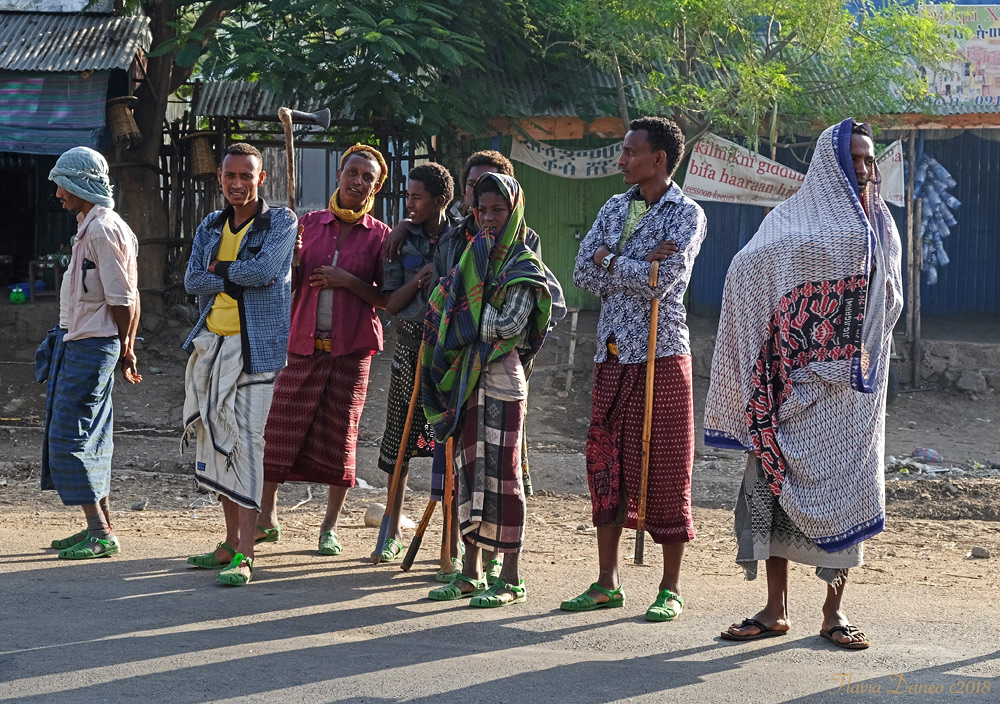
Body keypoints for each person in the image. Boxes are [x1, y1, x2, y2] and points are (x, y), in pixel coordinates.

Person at [705, 119, 902, 649]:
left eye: (868, 160)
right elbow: (747, 270)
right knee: (774, 487)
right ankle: (774, 610)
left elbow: (891, 302)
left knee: (847, 494)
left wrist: (839, 350)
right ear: (826, 165)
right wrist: (788, 348)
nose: (863, 169)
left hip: (851, 397)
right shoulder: (788, 222)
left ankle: (834, 614)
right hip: (785, 389)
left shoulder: (880, 227)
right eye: (853, 159)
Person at [563, 116, 706, 621]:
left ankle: (670, 586)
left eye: (629, 152)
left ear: (658, 159)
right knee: (606, 461)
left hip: (662, 354)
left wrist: (610, 258)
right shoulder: (614, 206)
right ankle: (608, 581)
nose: (621, 159)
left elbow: (665, 283)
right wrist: (633, 262)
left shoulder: (686, 214)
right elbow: (580, 270)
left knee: (666, 465)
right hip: (613, 352)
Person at [407, 150, 566, 584]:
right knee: (468, 475)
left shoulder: (523, 265)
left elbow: (508, 326)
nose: (490, 217)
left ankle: (511, 577)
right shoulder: (469, 257)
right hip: (464, 380)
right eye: (483, 209)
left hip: (501, 380)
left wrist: (460, 314)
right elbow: (441, 312)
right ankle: (470, 570)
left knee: (504, 478)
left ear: (513, 210)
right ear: (472, 211)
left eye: (499, 209)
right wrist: (461, 314)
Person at [256, 144, 390, 558]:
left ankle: (328, 528)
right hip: (301, 346)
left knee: (341, 439)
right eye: (353, 172)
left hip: (351, 352)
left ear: (376, 186)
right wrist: (291, 263)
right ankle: (267, 517)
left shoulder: (382, 236)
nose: (358, 181)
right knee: (277, 432)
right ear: (338, 174)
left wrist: (345, 279)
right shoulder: (306, 225)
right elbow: (284, 286)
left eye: (368, 177)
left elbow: (384, 298)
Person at [182, 142, 296, 585]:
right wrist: (232, 270)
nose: (237, 184)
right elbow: (193, 280)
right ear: (220, 179)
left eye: (246, 176)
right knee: (214, 436)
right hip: (211, 344)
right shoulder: (211, 225)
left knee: (247, 442)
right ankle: (229, 541)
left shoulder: (281, 221)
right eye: (230, 176)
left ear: (261, 178)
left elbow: (265, 270)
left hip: (256, 350)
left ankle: (246, 553)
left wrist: (220, 271)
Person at [38, 146, 141, 560]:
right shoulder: (90, 224)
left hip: (92, 347)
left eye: (62, 184)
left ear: (80, 183)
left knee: (70, 437)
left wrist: (126, 348)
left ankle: (100, 532)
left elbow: (124, 298)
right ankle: (97, 526)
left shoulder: (103, 229)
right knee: (87, 435)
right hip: (79, 342)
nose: (58, 193)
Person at [374, 163, 455, 563]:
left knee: (451, 440)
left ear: (440, 201)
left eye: (416, 197)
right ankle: (389, 529)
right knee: (400, 440)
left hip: (450, 353)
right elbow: (390, 304)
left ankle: (451, 539)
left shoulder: (462, 236)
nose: (409, 204)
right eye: (407, 196)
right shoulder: (400, 241)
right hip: (409, 346)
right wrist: (421, 278)